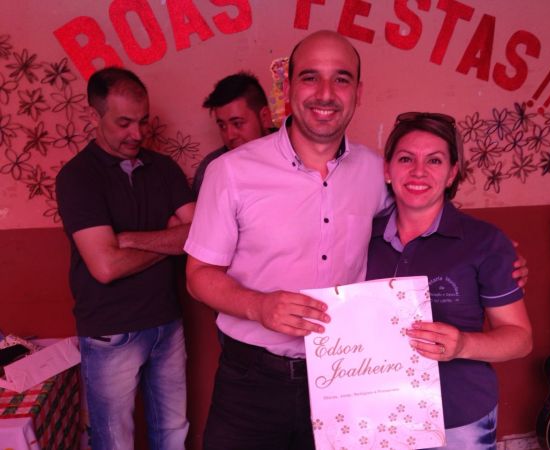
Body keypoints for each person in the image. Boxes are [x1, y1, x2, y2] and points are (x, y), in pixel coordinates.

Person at [185, 31, 528, 450]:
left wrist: (497, 256)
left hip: (352, 383)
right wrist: (258, 306)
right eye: (310, 77)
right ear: (287, 89)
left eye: (341, 79)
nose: (325, 93)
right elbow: (198, 275)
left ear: (358, 93)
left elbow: (426, 214)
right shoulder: (231, 172)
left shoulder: (375, 171)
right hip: (252, 382)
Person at [366, 112, 533, 449]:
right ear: (387, 169)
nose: (418, 171)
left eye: (434, 160)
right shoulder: (359, 237)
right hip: (374, 415)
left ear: (452, 172)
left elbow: (520, 338)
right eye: (406, 159)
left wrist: (463, 345)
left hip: (458, 419)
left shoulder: (485, 241)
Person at [56, 67, 194, 450]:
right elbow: (105, 267)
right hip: (110, 333)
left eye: (142, 121)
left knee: (173, 433)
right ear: (93, 116)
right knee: (114, 442)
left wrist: (130, 240)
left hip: (167, 322)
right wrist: (170, 239)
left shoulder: (163, 168)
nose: (137, 133)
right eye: (124, 123)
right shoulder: (77, 177)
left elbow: (201, 235)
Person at [192, 71, 274, 195]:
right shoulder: (213, 169)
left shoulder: (293, 151)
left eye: (237, 123)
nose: (230, 136)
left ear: (264, 117)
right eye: (222, 126)